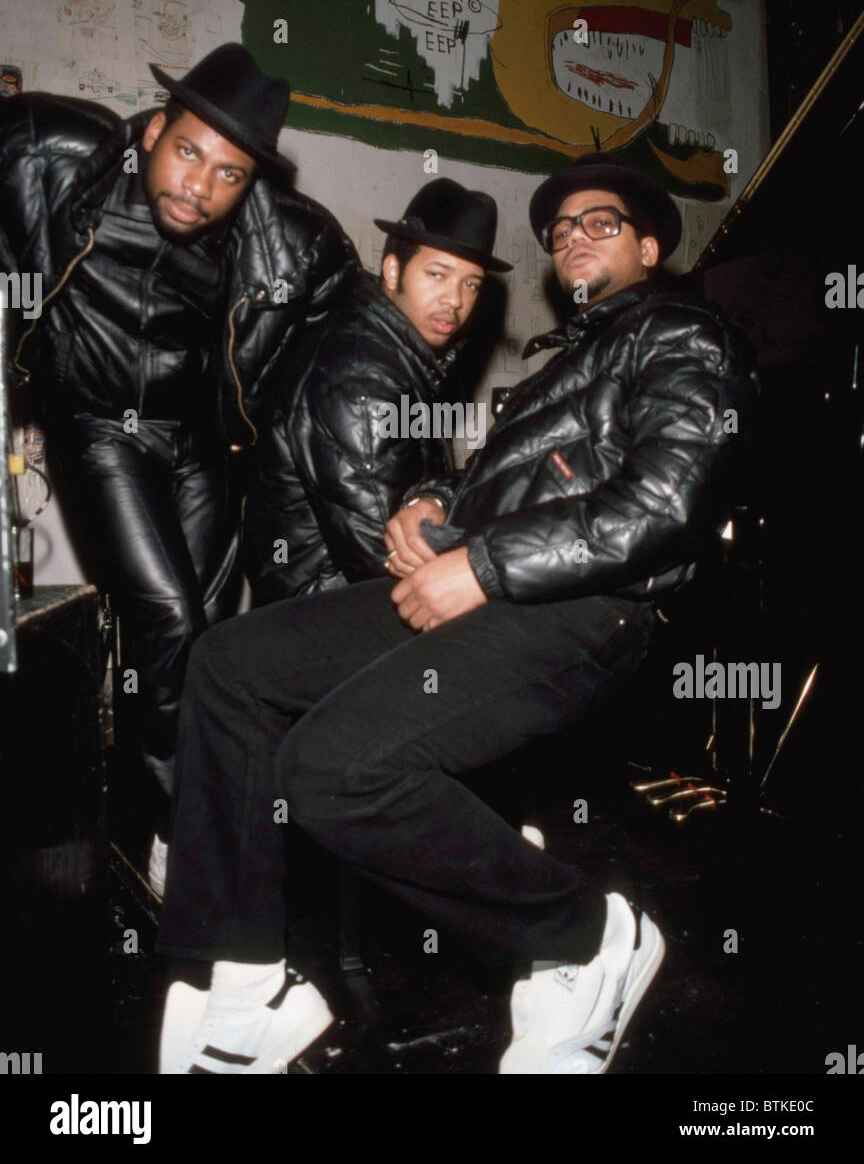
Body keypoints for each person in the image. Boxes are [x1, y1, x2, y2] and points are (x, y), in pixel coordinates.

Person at [155, 157, 758, 1075]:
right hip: (499, 590)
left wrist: (478, 565)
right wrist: (427, 504)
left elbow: (664, 504)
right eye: (558, 232)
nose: (572, 239)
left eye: (599, 224)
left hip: (587, 612)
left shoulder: (686, 332)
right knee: (231, 662)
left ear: (649, 247)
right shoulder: (564, 361)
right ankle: (248, 984)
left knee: (332, 771)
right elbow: (494, 485)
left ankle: (587, 935)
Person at [0, 44, 358, 890]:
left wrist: (276, 430)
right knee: (166, 620)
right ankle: (182, 838)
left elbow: (354, 335)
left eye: (228, 174)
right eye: (188, 151)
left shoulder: (291, 240)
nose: (197, 187)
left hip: (201, 441)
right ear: (155, 129)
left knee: (201, 641)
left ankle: (139, 817)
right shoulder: (51, 150)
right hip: (97, 427)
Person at [243, 177, 509, 604]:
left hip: (336, 608)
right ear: (392, 269)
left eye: (470, 284)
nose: (455, 300)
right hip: (321, 621)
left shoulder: (396, 353)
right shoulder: (359, 375)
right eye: (437, 274)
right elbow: (389, 559)